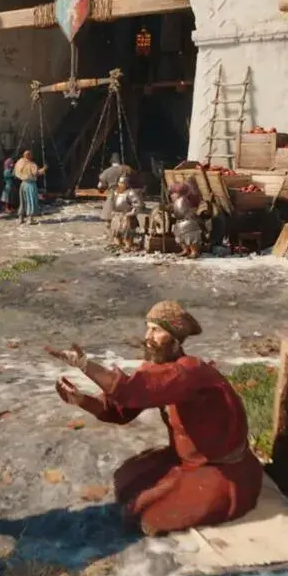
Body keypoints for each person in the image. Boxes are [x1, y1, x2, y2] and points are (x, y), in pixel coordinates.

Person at [46, 300, 263, 536]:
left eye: (157, 330)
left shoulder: (190, 371)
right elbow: (122, 409)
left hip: (222, 470)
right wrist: (81, 400)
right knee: (126, 481)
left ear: (175, 337)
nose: (148, 337)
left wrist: (85, 365)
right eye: (147, 328)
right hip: (185, 460)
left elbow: (131, 390)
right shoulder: (156, 368)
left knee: (148, 516)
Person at [109, 174, 145, 252]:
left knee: (127, 234)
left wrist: (132, 212)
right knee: (116, 232)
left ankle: (128, 245)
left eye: (122, 183)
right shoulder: (116, 192)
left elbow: (139, 204)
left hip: (127, 216)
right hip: (117, 215)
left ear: (126, 184)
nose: (120, 184)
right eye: (119, 182)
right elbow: (113, 202)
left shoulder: (130, 193)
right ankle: (118, 244)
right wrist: (113, 211)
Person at [169, 182, 204, 258]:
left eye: (174, 193)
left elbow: (187, 211)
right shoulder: (177, 201)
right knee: (180, 236)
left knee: (190, 237)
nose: (172, 195)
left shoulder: (184, 199)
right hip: (180, 222)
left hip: (188, 221)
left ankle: (194, 251)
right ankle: (185, 250)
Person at [14, 150, 46, 225]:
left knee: (23, 201)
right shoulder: (32, 165)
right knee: (31, 201)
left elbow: (16, 172)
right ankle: (30, 219)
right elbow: (36, 173)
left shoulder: (19, 162)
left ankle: (20, 218)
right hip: (30, 184)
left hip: (23, 184)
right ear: (29, 156)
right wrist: (44, 169)